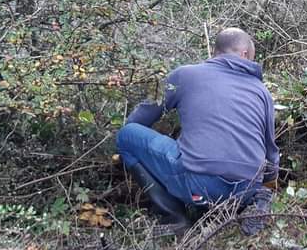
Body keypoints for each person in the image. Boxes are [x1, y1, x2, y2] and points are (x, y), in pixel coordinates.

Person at [116, 27, 280, 235]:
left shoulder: (185, 75)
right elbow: (271, 154)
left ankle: (174, 218)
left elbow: (138, 120)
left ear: (215, 50)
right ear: (244, 54)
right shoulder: (262, 91)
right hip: (246, 188)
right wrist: (265, 184)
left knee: (127, 135)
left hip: (199, 187)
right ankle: (254, 201)